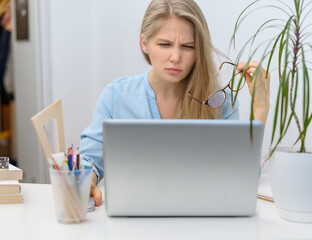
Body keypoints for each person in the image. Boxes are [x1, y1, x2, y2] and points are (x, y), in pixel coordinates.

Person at [80, 0, 270, 207]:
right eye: (165, 44)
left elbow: (243, 178)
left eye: (188, 47)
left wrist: (260, 109)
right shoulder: (115, 96)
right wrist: (86, 179)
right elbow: (90, 161)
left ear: (199, 51)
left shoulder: (219, 102)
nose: (175, 57)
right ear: (144, 43)